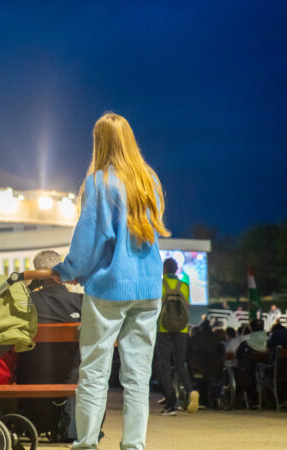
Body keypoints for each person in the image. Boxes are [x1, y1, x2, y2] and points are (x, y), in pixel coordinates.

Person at [51, 113, 170, 450]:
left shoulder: (99, 182)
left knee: (94, 372)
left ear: (99, 142)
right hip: (147, 289)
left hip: (109, 289)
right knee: (137, 377)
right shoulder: (150, 181)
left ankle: (86, 443)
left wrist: (67, 269)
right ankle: (134, 445)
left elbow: (89, 242)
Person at [15, 250, 84, 438]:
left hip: (34, 378)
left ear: (38, 275)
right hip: (71, 378)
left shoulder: (29, 303)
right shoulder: (79, 302)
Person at [155, 257, 199, 415]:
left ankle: (171, 405)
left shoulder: (160, 285)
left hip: (163, 328)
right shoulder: (184, 286)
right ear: (177, 269)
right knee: (180, 364)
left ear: (165, 269)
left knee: (165, 365)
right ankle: (191, 390)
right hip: (182, 330)